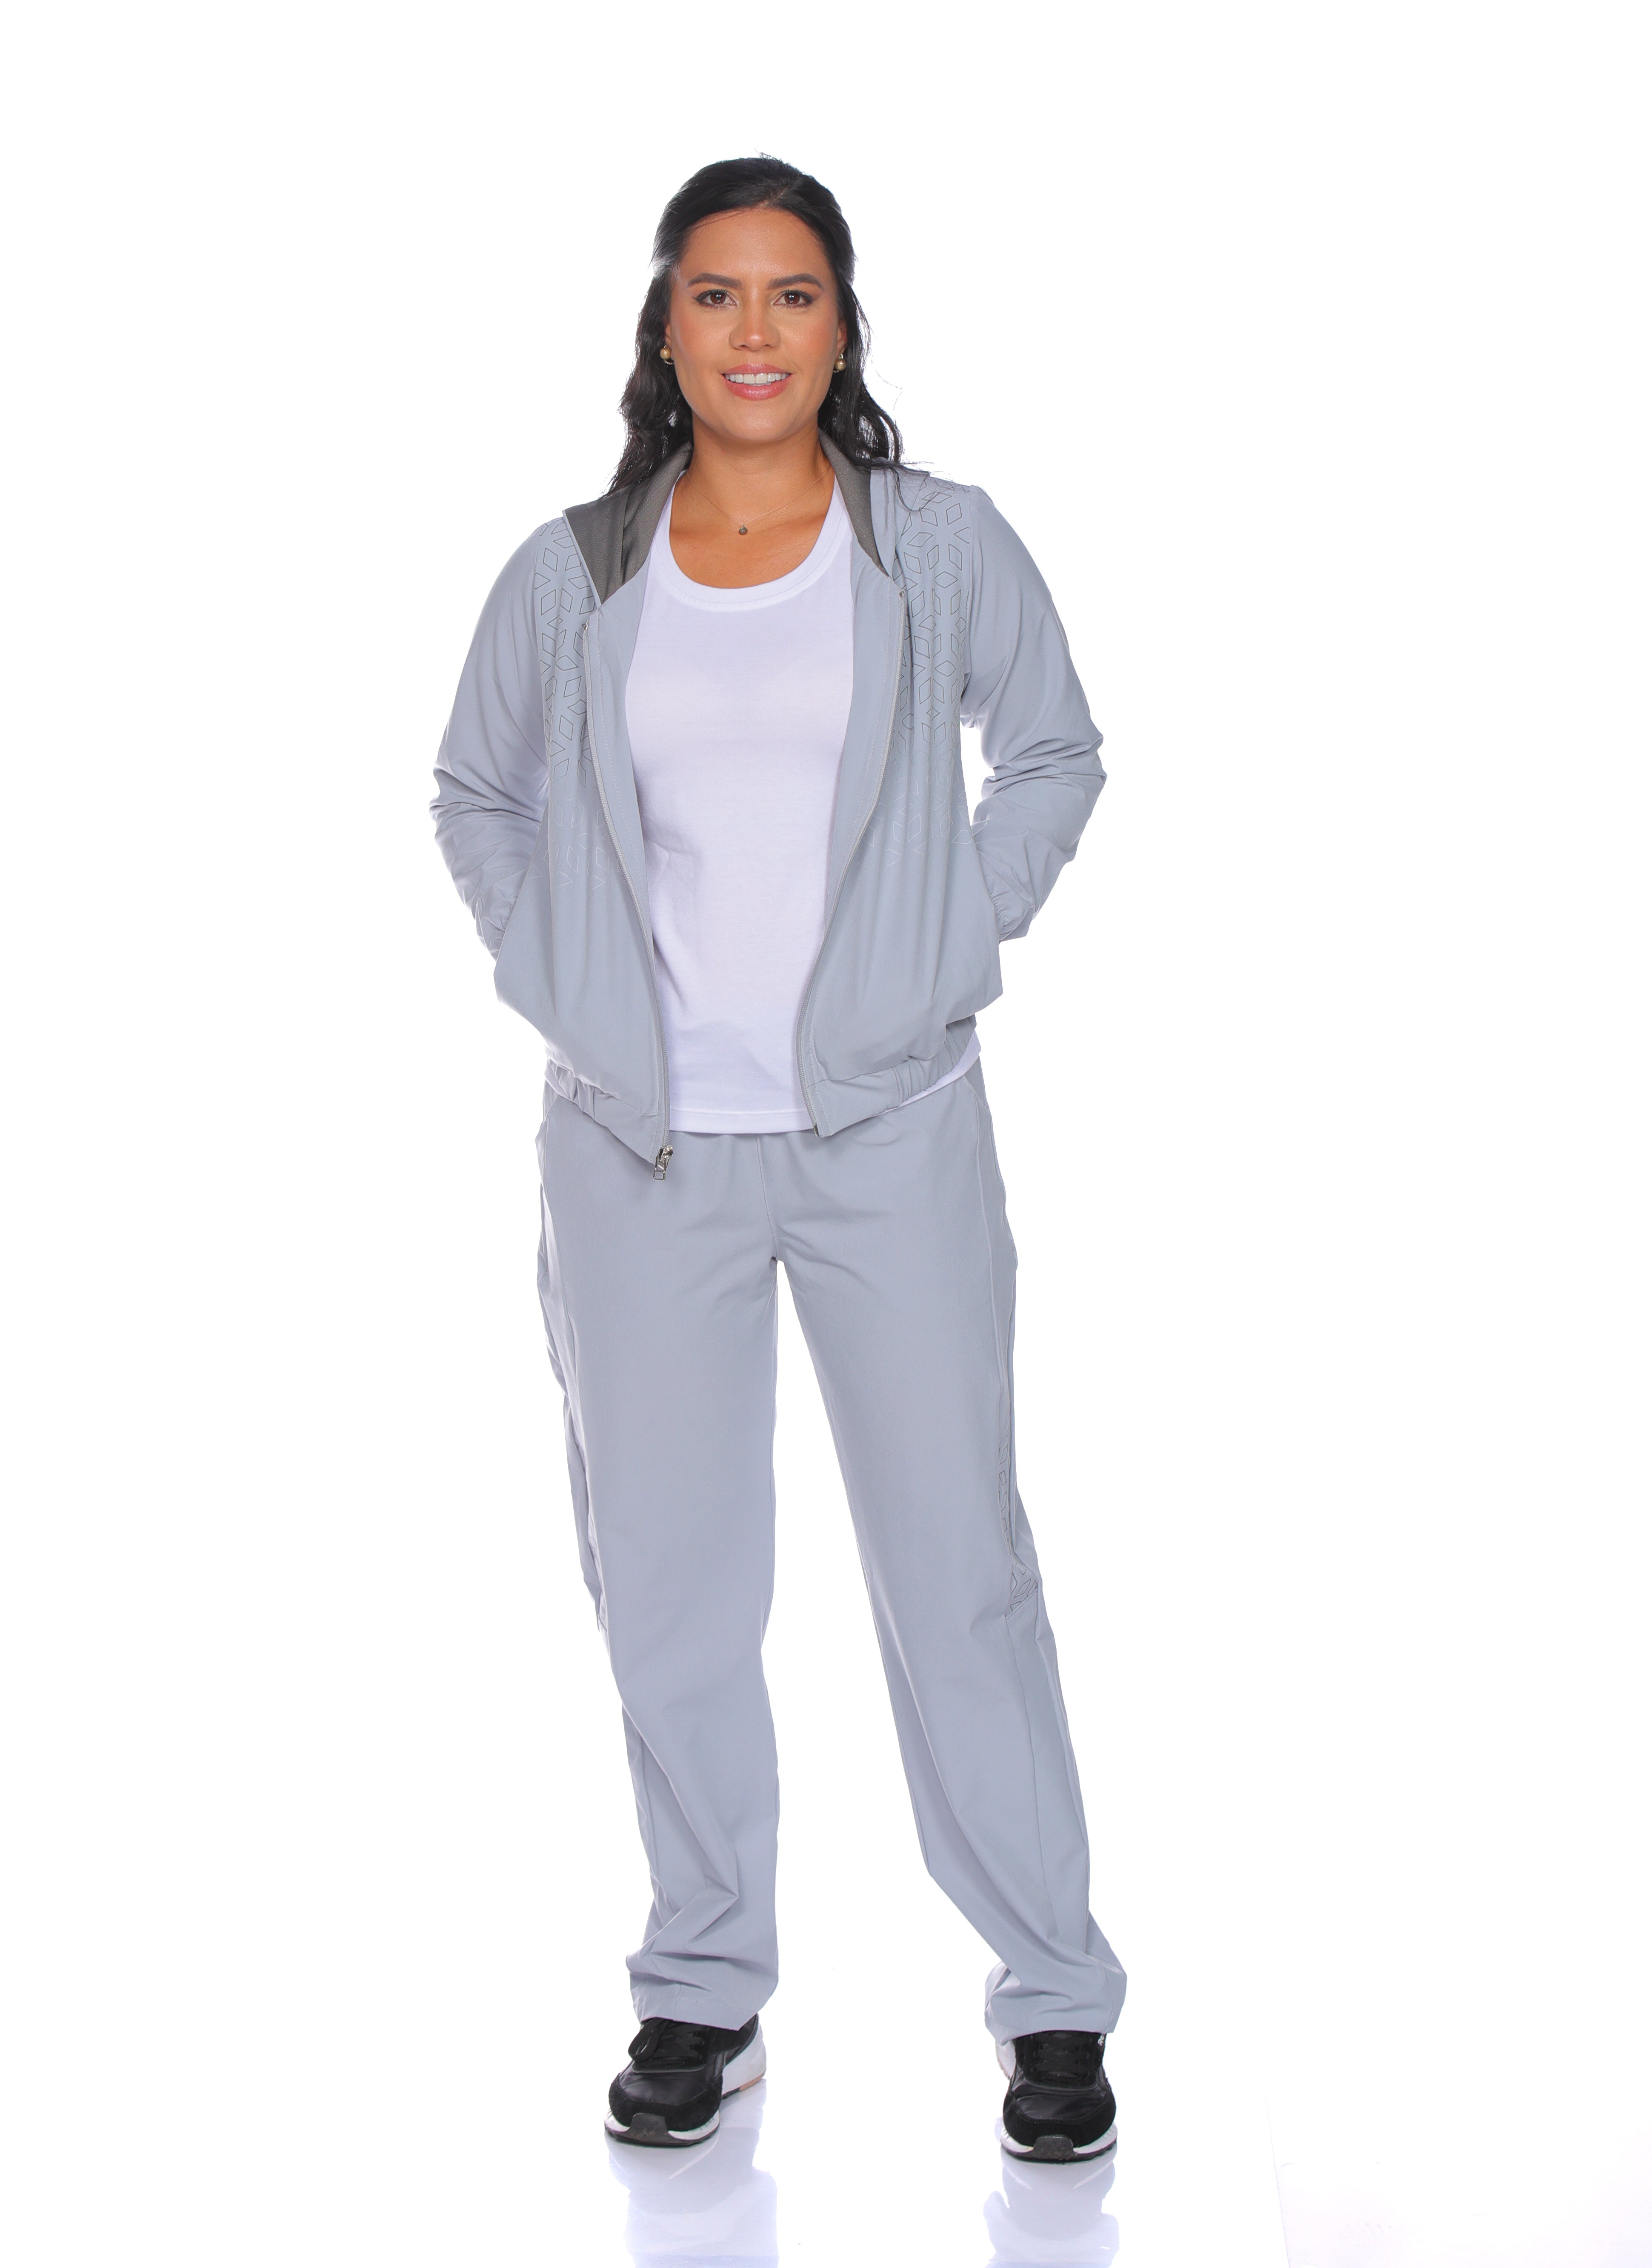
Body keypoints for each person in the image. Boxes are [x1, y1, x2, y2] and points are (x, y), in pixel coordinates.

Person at [430, 155, 1123, 2162]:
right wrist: (565, 977)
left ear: (841, 327)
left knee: (956, 1571)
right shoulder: (574, 571)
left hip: (888, 1130)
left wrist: (951, 936)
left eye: (793, 294)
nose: (755, 331)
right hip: (638, 1153)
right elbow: (477, 794)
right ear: (665, 330)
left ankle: (1052, 1992)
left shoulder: (936, 546)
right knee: (669, 1584)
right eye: (717, 294)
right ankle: (702, 1978)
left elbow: (1055, 751)